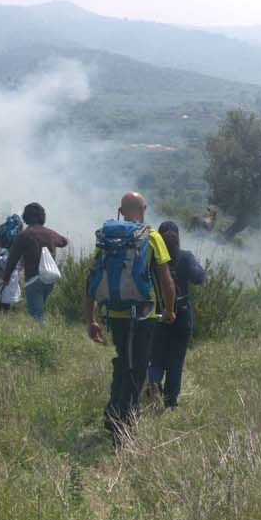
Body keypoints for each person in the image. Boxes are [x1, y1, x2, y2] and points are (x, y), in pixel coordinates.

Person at [85, 191, 176, 448]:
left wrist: (91, 318)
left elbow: (91, 279)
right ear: (143, 209)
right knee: (137, 366)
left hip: (115, 313)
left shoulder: (107, 237)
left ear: (121, 211)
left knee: (123, 361)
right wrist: (169, 309)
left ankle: (114, 412)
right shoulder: (152, 236)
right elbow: (166, 279)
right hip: (144, 313)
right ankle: (124, 421)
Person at [147, 220, 205, 408]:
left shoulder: (152, 258)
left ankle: (154, 384)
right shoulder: (185, 257)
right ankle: (170, 402)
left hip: (158, 314)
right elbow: (199, 277)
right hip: (182, 315)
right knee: (176, 360)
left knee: (155, 357)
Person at [2, 202, 69, 324]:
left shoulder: (23, 235)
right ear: (42, 217)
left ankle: (43, 339)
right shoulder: (50, 233)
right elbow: (64, 241)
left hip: (33, 279)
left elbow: (12, 260)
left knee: (37, 316)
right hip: (49, 280)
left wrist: (6, 278)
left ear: (26, 217)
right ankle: (42, 337)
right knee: (39, 310)